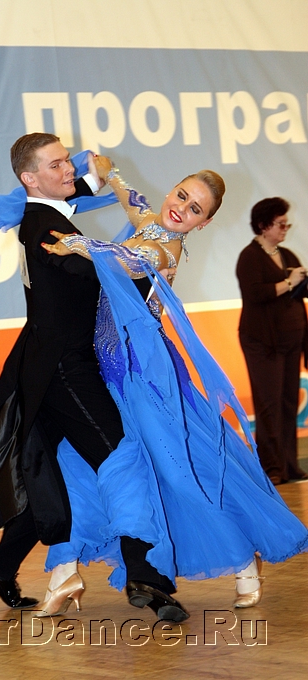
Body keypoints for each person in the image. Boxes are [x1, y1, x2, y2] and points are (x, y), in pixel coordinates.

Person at [39, 164, 308, 614]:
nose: (182, 208)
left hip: (145, 376)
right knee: (76, 461)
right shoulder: (151, 222)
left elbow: (126, 260)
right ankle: (64, 571)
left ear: (204, 223)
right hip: (104, 372)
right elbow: (135, 202)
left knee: (177, 473)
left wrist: (80, 244)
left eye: (195, 209)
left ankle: (243, 560)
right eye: (181, 195)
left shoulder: (165, 251)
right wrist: (112, 174)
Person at [0, 133, 189, 622]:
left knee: (53, 475)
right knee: (122, 458)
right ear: (29, 178)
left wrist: (97, 178)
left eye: (68, 160)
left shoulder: (43, 214)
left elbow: (71, 199)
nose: (69, 169)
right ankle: (144, 575)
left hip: (45, 368)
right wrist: (152, 257)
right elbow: (104, 273)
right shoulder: (44, 228)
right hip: (66, 369)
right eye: (57, 164)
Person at [236, 197, 308, 486]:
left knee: (289, 402)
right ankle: (271, 467)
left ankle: (290, 465)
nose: (285, 229)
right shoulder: (249, 257)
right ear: (264, 225)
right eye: (281, 224)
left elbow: (299, 290)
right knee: (268, 405)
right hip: (263, 342)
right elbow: (257, 294)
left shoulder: (287, 255)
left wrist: (300, 281)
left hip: (291, 339)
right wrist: (290, 281)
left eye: (286, 224)